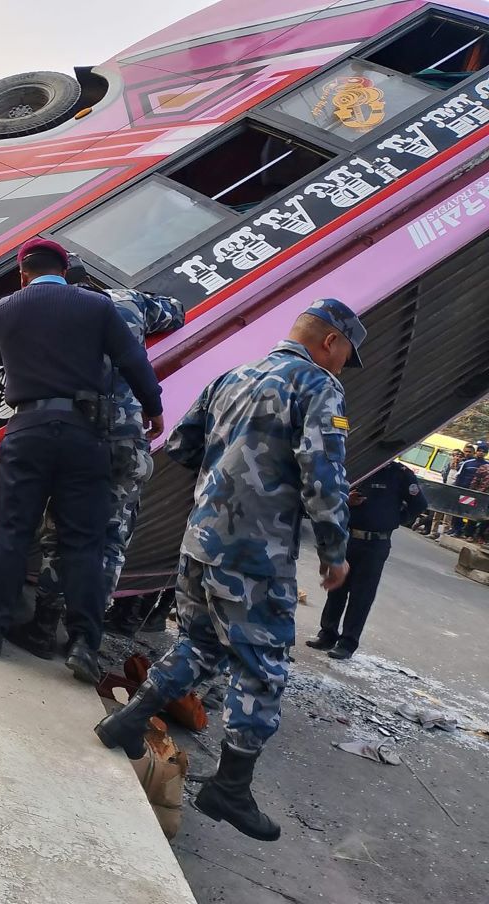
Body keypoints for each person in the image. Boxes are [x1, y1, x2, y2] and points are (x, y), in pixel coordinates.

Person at [96, 298, 364, 842]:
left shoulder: (232, 376)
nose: (342, 368)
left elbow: (180, 444)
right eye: (345, 356)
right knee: (262, 666)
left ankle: (125, 722)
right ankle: (231, 787)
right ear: (330, 342)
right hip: (255, 557)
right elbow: (325, 474)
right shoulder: (317, 387)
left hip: (201, 541)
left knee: (200, 646)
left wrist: (228, 476)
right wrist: (335, 551)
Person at [0, 238, 164, 676]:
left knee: (13, 533)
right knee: (85, 542)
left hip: (28, 430)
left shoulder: (1, 310)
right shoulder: (97, 308)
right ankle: (82, 647)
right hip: (86, 435)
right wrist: (153, 409)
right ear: (66, 268)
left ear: (22, 273)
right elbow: (133, 361)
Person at [12, 276, 186, 658]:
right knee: (110, 542)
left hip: (76, 439)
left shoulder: (50, 315)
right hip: (127, 442)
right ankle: (83, 643)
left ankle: (43, 629)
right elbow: (177, 312)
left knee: (62, 534)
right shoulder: (129, 302)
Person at [305, 462, 427, 660]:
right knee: (337, 588)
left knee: (362, 594)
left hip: (375, 544)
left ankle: (347, 643)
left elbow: (419, 504)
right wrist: (347, 501)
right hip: (347, 537)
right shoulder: (360, 464)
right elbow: (331, 497)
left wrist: (395, 519)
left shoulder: (400, 474)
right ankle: (327, 634)